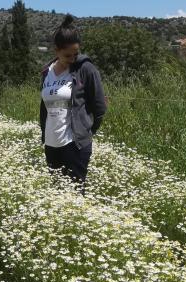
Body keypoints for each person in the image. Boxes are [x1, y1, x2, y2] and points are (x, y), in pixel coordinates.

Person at [40, 14, 107, 195]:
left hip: (75, 145)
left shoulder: (85, 69)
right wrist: (43, 134)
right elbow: (44, 107)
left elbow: (99, 107)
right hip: (52, 144)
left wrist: (86, 133)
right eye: (67, 55)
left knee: (75, 195)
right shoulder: (47, 73)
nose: (72, 58)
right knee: (57, 194)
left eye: (76, 54)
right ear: (56, 51)